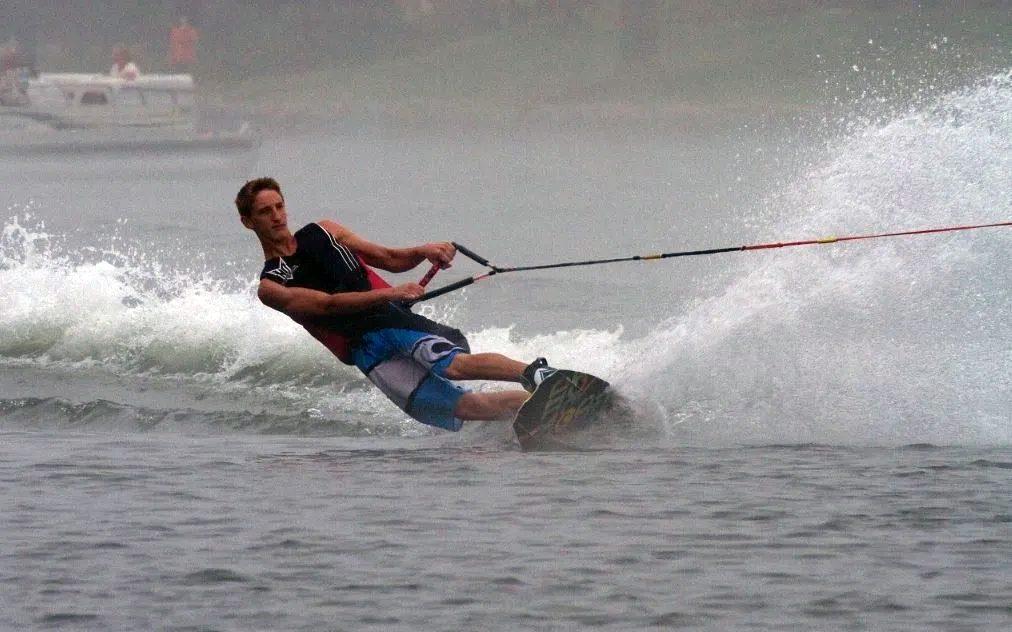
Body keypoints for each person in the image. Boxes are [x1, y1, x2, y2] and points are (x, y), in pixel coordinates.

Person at [236, 177, 558, 432]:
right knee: (461, 407)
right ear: (247, 221)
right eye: (266, 212)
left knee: (453, 366)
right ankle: (537, 408)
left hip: (388, 320)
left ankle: (538, 374)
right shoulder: (271, 286)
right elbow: (328, 306)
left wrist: (424, 251)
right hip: (364, 352)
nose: (277, 216)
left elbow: (388, 259)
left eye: (279, 206)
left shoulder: (324, 232)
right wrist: (391, 293)